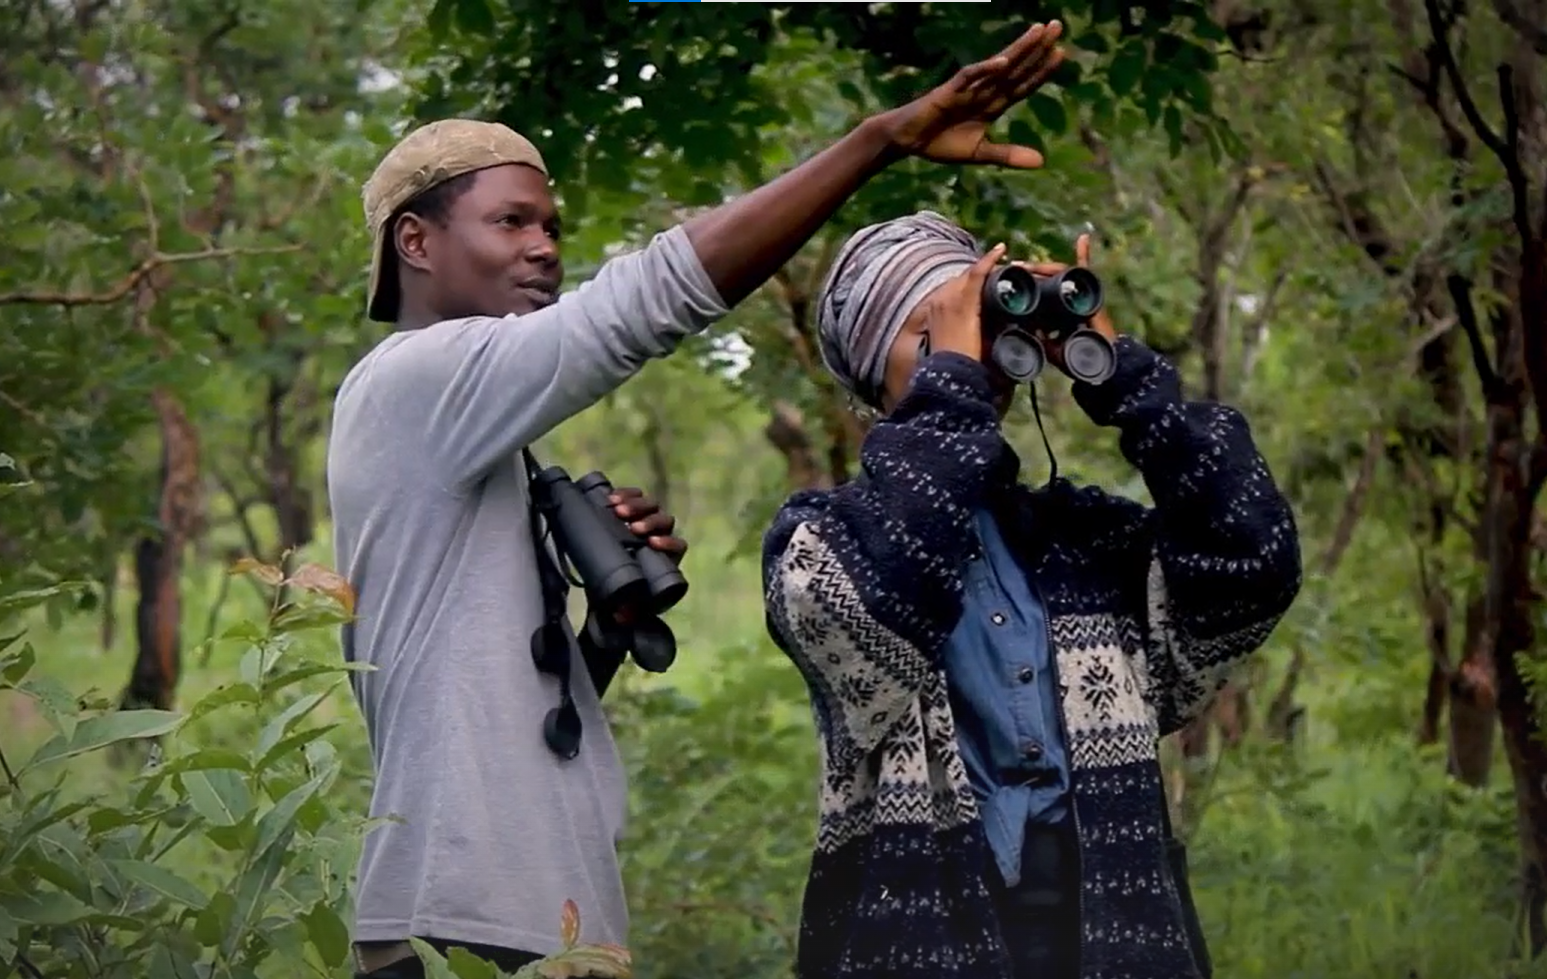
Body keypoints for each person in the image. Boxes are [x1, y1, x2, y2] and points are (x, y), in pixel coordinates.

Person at [325, 22, 1073, 979]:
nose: (545, 248)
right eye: (512, 222)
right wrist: (876, 141)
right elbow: (647, 301)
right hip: (462, 919)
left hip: (525, 911)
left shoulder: (480, 437)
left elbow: (502, 711)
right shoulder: (414, 380)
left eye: (551, 226)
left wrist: (601, 625)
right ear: (417, 241)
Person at [759, 212, 1303, 979]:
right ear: (869, 373)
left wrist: (1126, 380)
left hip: (1110, 926)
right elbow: (865, 604)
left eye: (974, 333)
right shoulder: (820, 540)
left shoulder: (1079, 538)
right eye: (933, 338)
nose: (970, 360)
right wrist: (948, 393)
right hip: (920, 932)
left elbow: (1254, 561)